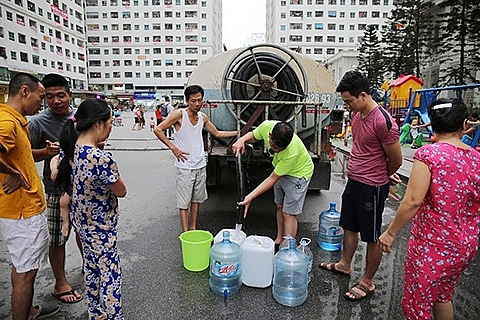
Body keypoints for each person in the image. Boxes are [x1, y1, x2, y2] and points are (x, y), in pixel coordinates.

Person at [378, 98, 480, 320]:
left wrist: (391, 232)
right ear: (465, 125)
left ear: (433, 125)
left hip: (432, 246)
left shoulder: (429, 156)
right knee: (443, 296)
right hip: (465, 246)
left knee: (417, 304)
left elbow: (413, 200)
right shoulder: (476, 159)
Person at [319, 70, 403, 301]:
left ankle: (367, 280)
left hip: (372, 187)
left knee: (372, 235)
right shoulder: (357, 115)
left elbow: (396, 160)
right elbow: (365, 150)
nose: (347, 106)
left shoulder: (383, 121)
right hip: (354, 181)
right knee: (349, 226)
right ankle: (345, 264)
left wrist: (383, 175)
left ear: (363, 95)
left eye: (349, 100)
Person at [56, 99, 127, 319]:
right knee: (110, 274)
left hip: (83, 223)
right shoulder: (100, 158)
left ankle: (96, 312)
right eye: (109, 124)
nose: (110, 129)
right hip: (101, 227)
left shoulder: (73, 148)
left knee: (92, 268)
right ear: (98, 124)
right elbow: (121, 191)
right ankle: (114, 316)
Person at [0, 72, 60, 319]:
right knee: (27, 273)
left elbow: (20, 156)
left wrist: (43, 152)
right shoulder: (7, 122)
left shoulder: (16, 120)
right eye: (41, 96)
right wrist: (12, 173)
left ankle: (27, 309)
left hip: (23, 209)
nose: (42, 102)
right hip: (22, 211)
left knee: (23, 266)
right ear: (25, 91)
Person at [28, 73, 83, 304]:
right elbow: (25, 155)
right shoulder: (38, 123)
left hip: (83, 188)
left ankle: (88, 267)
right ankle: (60, 283)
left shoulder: (81, 118)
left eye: (61, 95)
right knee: (58, 239)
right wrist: (45, 153)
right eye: (49, 97)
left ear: (70, 95)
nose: (56, 100)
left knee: (85, 233)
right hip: (55, 191)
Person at [154, 85, 236, 232]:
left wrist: (239, 132)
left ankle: (193, 227)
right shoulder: (179, 115)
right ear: (187, 100)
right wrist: (173, 148)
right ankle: (186, 232)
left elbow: (217, 133)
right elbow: (158, 129)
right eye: (193, 101)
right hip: (185, 167)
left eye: (199, 100)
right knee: (183, 202)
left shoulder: (203, 117)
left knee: (196, 199)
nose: (197, 104)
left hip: (200, 164)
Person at [232, 121, 313, 247]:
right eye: (274, 147)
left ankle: (287, 250)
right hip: (280, 169)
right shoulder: (266, 126)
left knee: (289, 213)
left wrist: (250, 197)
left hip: (298, 174)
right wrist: (241, 140)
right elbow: (254, 135)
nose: (276, 150)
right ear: (270, 135)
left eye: (280, 149)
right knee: (279, 206)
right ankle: (279, 240)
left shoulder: (292, 152)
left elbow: (272, 178)